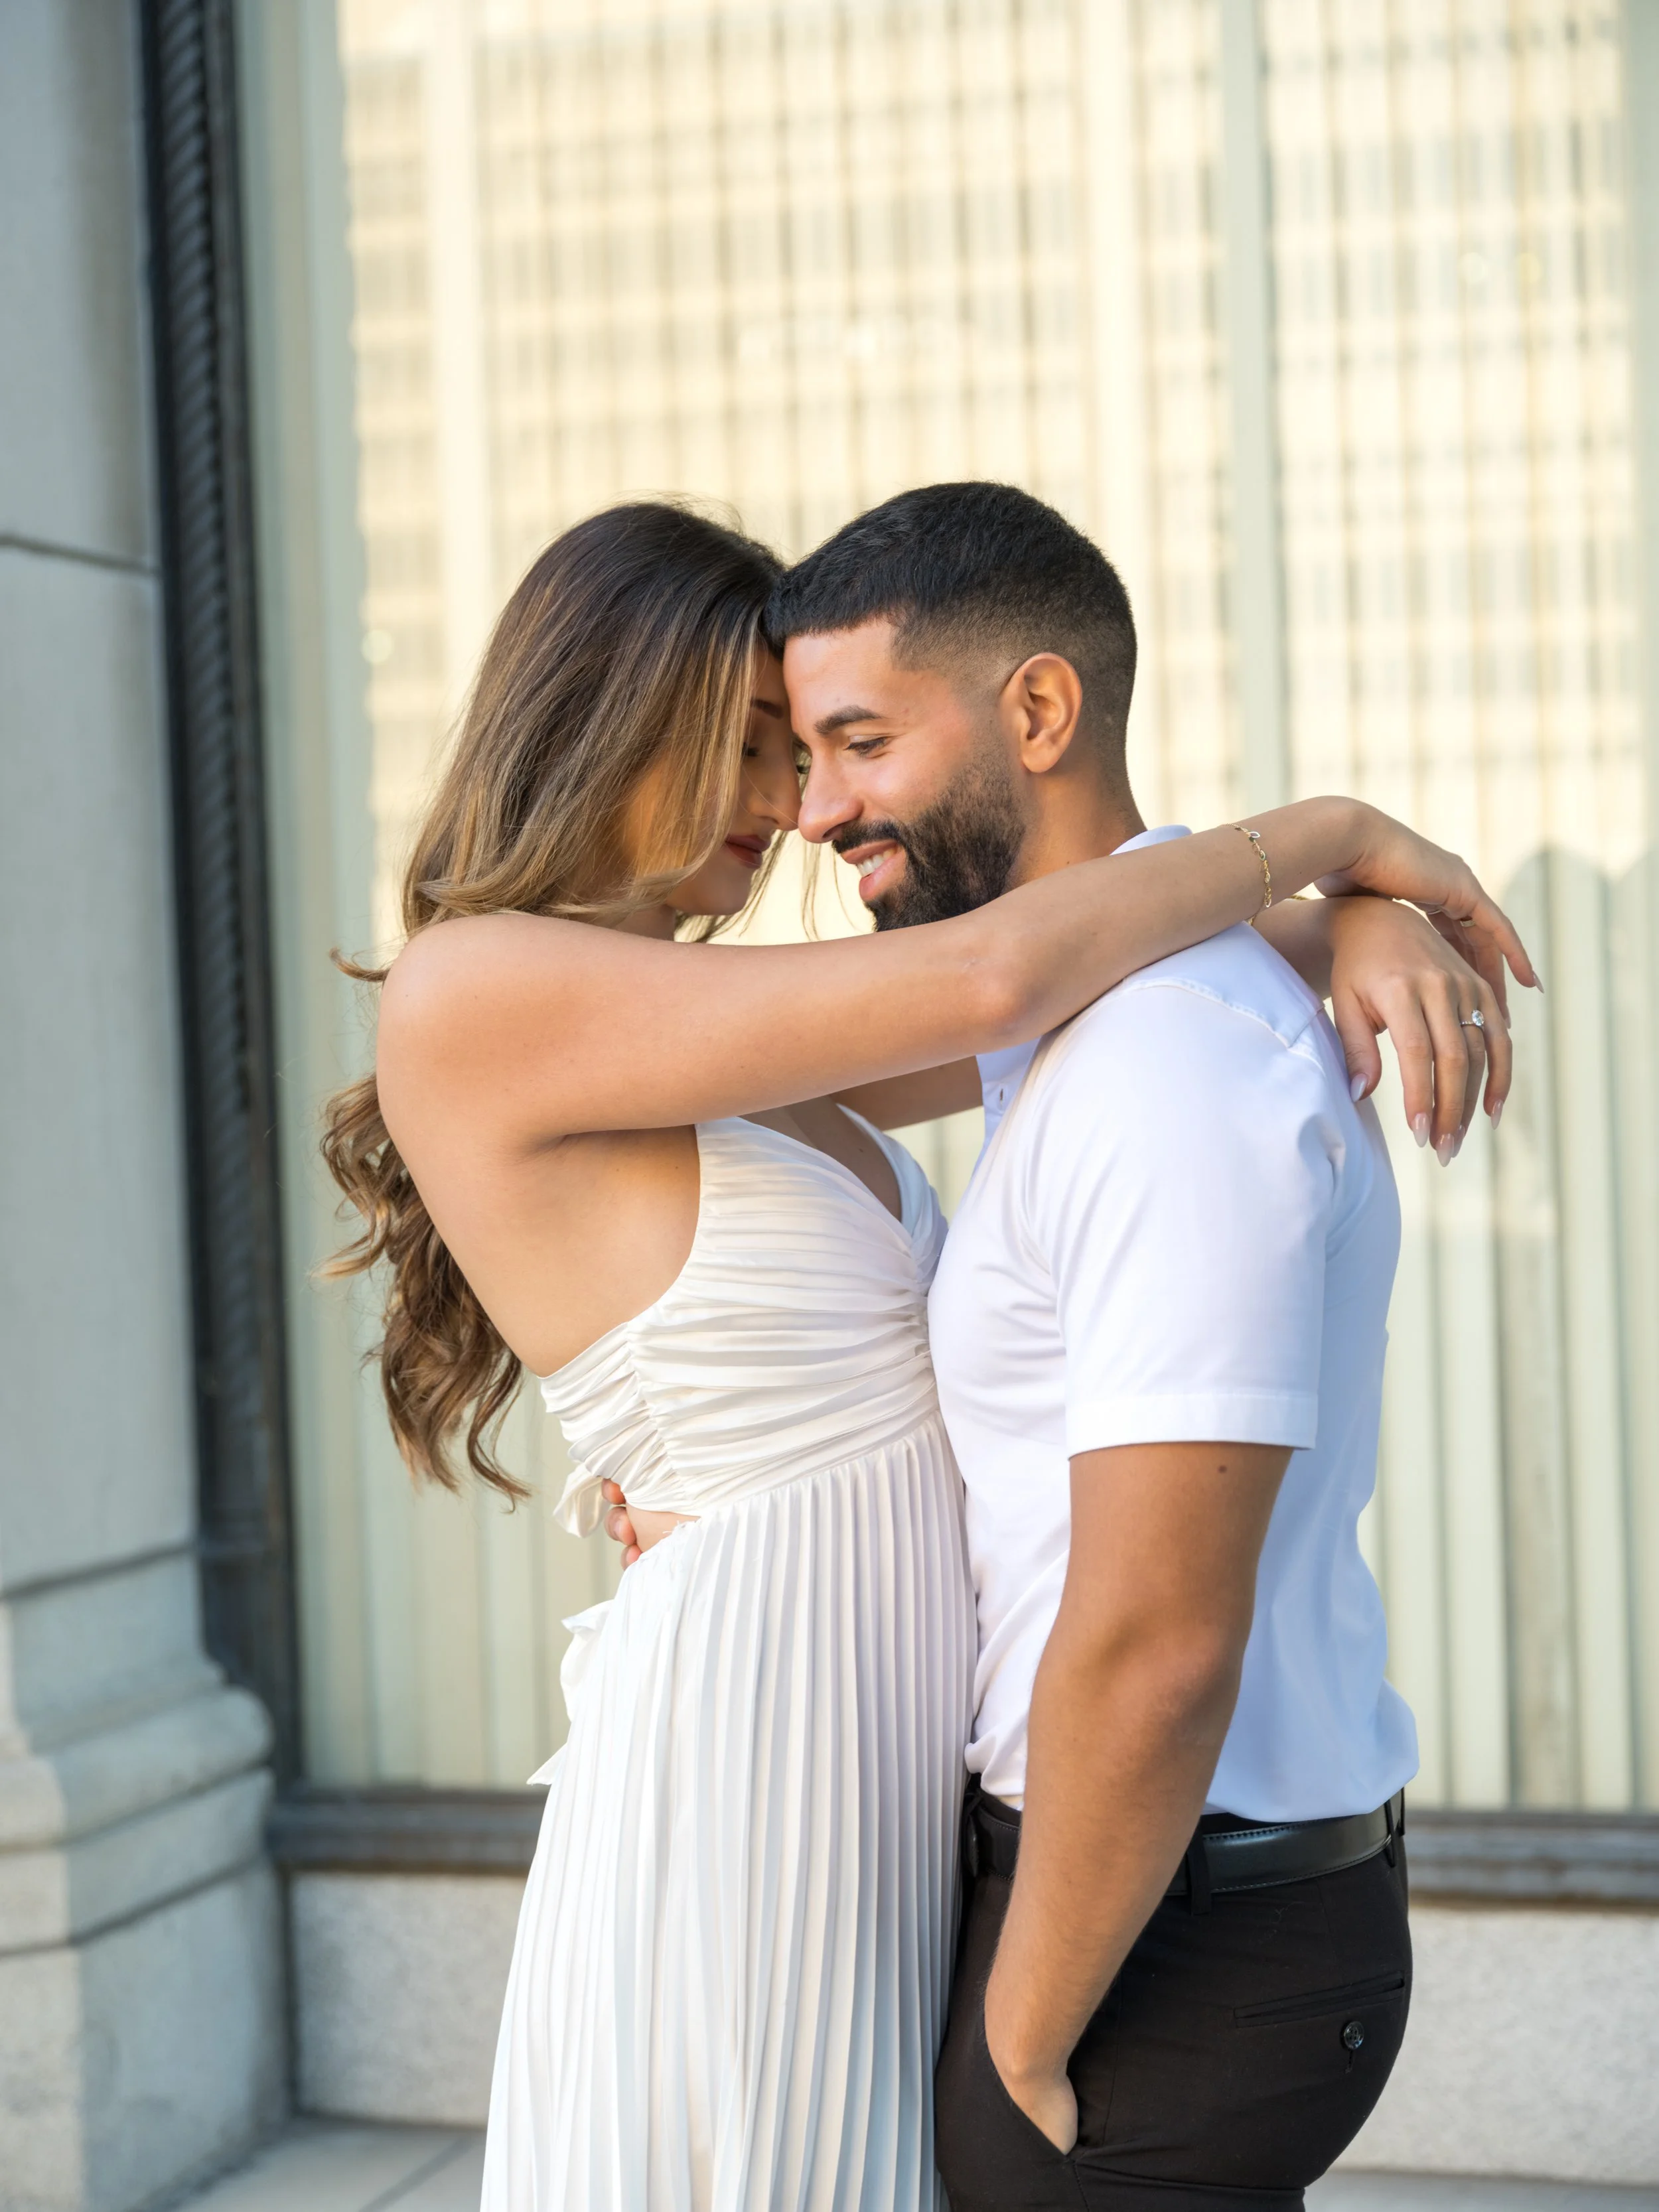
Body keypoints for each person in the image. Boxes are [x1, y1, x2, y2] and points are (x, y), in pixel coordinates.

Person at [321, 498, 1530, 2212]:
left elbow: (1067, 986)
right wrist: (1329, 838)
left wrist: (1343, 929)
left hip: (896, 1763)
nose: (791, 807)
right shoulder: (477, 986)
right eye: (753, 744)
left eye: (816, 747)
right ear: (607, 723)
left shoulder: (709, 1027)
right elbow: (994, 984)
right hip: (753, 1735)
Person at [752, 481, 1536, 2211]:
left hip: (1161, 1938)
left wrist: (1023, 2037)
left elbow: (1159, 1638)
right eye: (805, 757)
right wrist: (1325, 894)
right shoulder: (1084, 1019)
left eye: (861, 743)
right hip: (1132, 1895)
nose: (815, 810)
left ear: (1039, 710)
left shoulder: (1167, 1070)